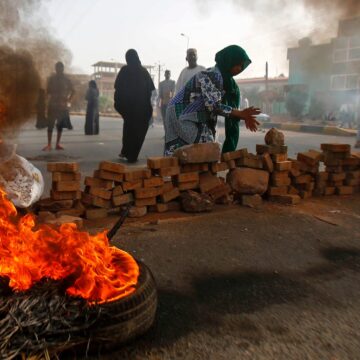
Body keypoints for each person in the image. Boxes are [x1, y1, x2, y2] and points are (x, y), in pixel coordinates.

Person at [164, 45, 260, 156]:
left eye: (242, 66)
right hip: (180, 113)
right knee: (202, 151)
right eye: (238, 64)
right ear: (229, 61)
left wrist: (240, 115)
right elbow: (213, 106)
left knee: (202, 151)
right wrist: (239, 113)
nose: (240, 69)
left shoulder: (229, 84)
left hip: (195, 116)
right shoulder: (213, 76)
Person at [114, 49, 155, 163]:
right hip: (142, 109)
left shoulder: (124, 70)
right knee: (138, 132)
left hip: (129, 109)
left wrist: (121, 104)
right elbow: (151, 90)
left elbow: (117, 88)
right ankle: (132, 154)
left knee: (128, 130)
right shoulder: (144, 72)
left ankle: (127, 152)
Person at [43, 62, 74, 151]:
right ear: (55, 68)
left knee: (60, 125)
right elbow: (47, 92)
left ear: (62, 68)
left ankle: (57, 144)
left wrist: (68, 100)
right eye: (57, 68)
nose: (58, 69)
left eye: (60, 68)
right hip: (52, 104)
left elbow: (73, 91)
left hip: (62, 106)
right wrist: (46, 101)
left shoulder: (67, 80)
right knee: (50, 125)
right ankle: (49, 144)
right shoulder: (51, 79)